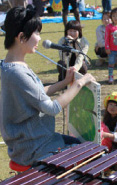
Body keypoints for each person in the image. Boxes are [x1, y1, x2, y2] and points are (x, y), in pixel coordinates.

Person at [0, 6, 95, 166]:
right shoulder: (18, 72)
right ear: (21, 37)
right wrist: (79, 83)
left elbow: (36, 94)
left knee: (84, 146)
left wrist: (64, 83)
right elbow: (51, 108)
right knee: (90, 154)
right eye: (36, 33)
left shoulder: (9, 65)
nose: (39, 38)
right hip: (35, 149)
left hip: (32, 143)